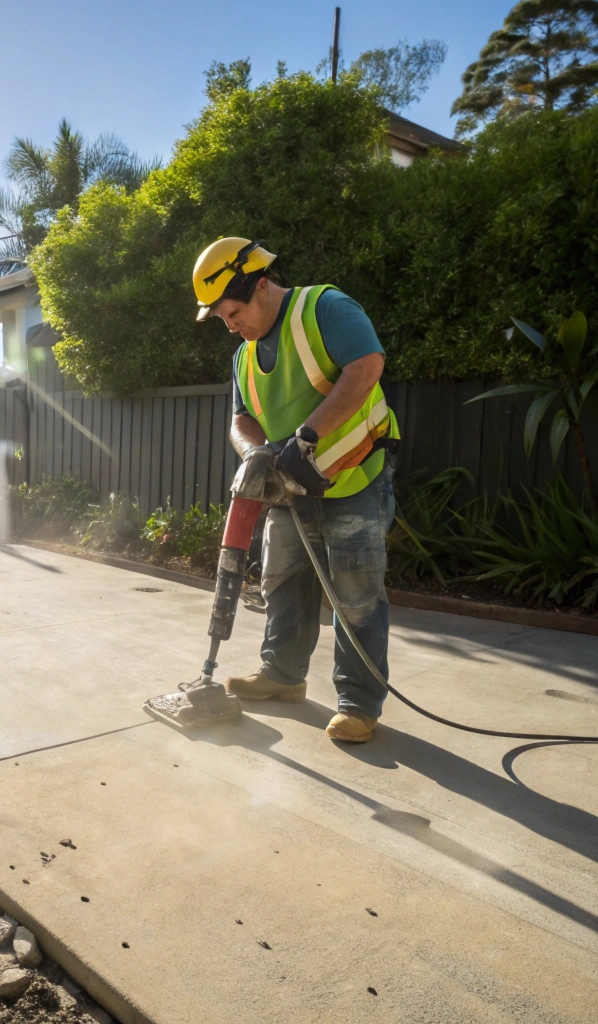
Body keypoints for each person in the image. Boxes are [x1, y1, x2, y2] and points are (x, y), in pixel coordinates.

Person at [192, 237, 399, 743]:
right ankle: (283, 676)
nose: (230, 324)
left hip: (354, 478)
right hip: (290, 488)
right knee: (282, 580)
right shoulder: (243, 357)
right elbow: (241, 420)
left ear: (261, 286)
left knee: (355, 592)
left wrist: (306, 437)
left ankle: (357, 703)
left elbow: (367, 366)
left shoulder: (325, 308)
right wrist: (256, 454)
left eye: (233, 311)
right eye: (221, 317)